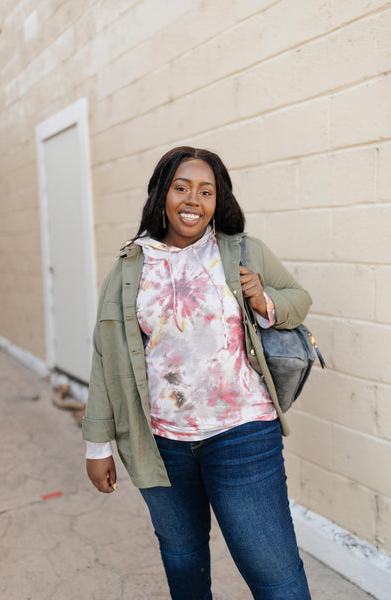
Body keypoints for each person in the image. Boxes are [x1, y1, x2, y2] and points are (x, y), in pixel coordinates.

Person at [83, 146, 312, 600]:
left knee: (275, 574)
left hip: (242, 434)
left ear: (218, 200)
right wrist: (97, 444)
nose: (193, 200)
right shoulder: (131, 265)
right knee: (184, 562)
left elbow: (297, 299)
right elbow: (105, 357)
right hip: (161, 443)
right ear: (161, 194)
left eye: (206, 191)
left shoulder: (242, 250)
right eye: (181, 187)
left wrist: (264, 300)